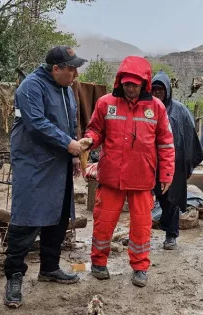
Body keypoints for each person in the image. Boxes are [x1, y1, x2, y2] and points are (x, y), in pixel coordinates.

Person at [80, 56, 175, 287]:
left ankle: (140, 267)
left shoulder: (157, 108)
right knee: (103, 222)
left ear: (144, 83)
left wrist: (166, 174)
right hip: (111, 176)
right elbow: (95, 130)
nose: (130, 87)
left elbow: (166, 143)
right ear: (119, 81)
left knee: (142, 226)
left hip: (142, 178)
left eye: (134, 83)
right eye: (126, 83)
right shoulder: (105, 103)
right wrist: (89, 141)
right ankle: (98, 263)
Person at [4, 45, 87, 308]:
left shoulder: (66, 90)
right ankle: (14, 277)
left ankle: (49, 268)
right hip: (33, 163)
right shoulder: (31, 87)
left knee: (59, 218)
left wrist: (73, 153)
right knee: (26, 220)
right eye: (71, 68)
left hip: (58, 162)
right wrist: (69, 144)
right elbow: (36, 124)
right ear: (56, 69)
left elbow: (69, 122)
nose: (75, 73)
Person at [151, 70, 203, 249]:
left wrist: (187, 164)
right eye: (154, 89)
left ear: (167, 90)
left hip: (174, 163)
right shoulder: (146, 108)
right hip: (150, 163)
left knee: (171, 199)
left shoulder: (179, 110)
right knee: (148, 199)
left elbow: (189, 137)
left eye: (160, 89)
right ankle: (143, 235)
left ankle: (171, 235)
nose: (157, 92)